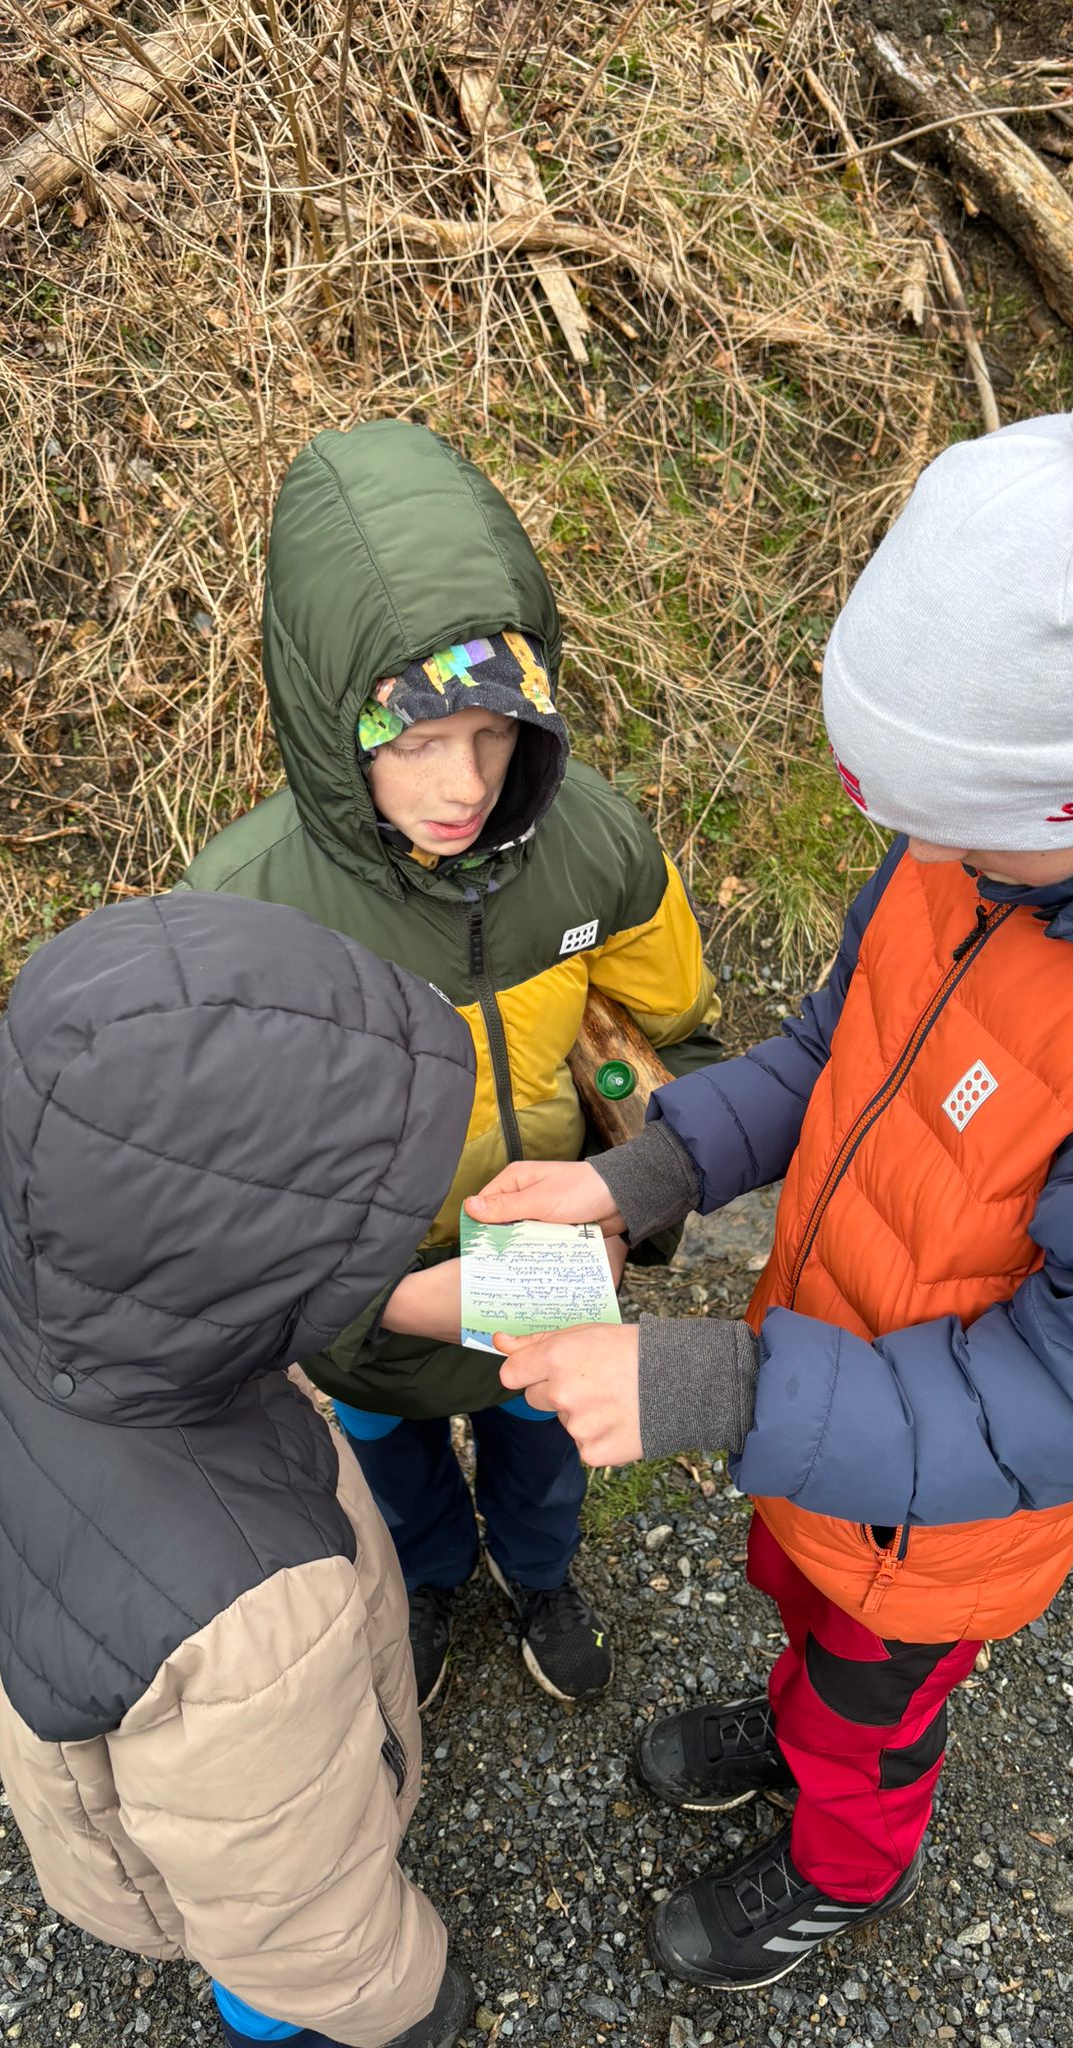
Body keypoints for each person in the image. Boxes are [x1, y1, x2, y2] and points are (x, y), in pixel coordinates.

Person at [468, 369, 1073, 1989]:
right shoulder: (982, 836)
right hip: (828, 1408)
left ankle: (842, 1865)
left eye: (934, 809)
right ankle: (801, 1707)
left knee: (878, 1707)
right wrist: (645, 1174)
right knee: (818, 1631)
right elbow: (836, 1052)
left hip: (942, 1511)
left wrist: (713, 1376)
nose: (887, 828)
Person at [182, 419, 720, 1707]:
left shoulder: (593, 844)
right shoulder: (249, 910)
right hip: (380, 1310)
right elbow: (223, 1187)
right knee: (389, 1454)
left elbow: (680, 1032)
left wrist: (630, 1210)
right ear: (329, 723)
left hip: (557, 1277)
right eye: (414, 741)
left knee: (547, 1449)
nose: (465, 783)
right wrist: (377, 1305)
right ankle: (426, 1583)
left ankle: (541, 1578)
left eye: (491, 732)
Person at [0, 892, 480, 2048]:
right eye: (357, 1224)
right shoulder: (256, 1612)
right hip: (249, 1854)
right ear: (237, 1258)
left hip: (106, 1779)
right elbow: (296, 1906)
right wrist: (409, 1995)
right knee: (273, 1961)